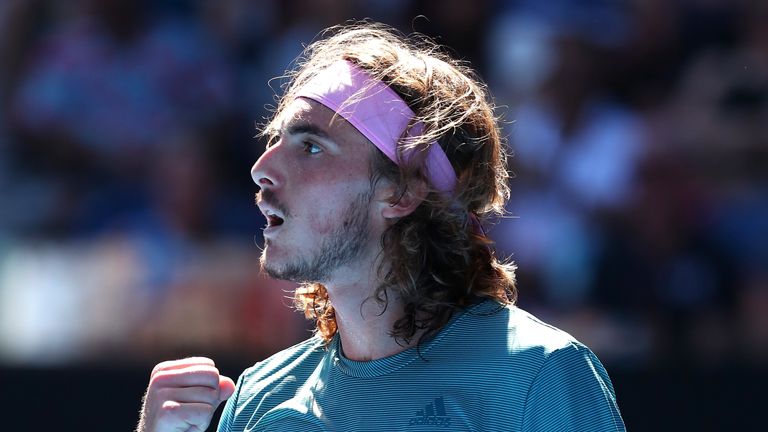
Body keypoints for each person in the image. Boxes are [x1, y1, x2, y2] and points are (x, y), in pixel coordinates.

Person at [136, 22, 626, 432]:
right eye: (274, 139)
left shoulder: (543, 377)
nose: (261, 167)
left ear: (402, 191)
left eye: (310, 147)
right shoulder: (256, 403)